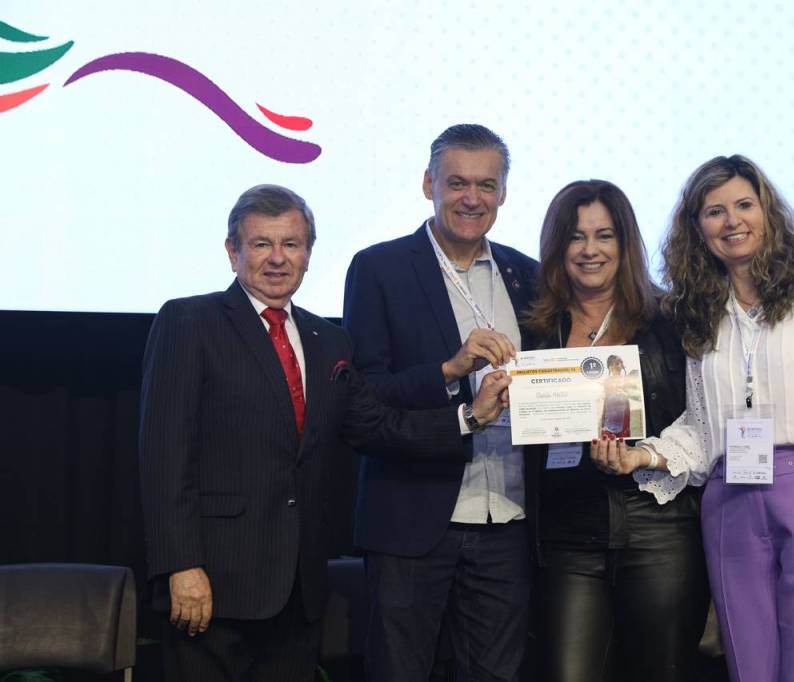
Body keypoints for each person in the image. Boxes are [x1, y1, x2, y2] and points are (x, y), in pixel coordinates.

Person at [138, 184, 511, 681]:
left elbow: (377, 426)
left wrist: (471, 417)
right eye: (261, 244)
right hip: (213, 585)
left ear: (308, 254)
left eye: (291, 244)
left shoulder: (328, 340)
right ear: (232, 251)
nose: (277, 258)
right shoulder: (189, 322)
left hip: (299, 592)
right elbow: (164, 457)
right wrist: (180, 566)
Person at [591, 156, 794, 682]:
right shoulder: (701, 312)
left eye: (744, 205)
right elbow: (702, 429)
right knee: (750, 670)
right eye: (714, 211)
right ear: (697, 228)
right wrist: (641, 456)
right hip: (730, 503)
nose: (732, 221)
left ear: (769, 213)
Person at [343, 124, 538, 681]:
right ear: (429, 184)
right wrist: (449, 371)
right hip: (413, 518)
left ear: (503, 192)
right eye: (456, 183)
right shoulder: (379, 269)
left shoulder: (528, 275)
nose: (471, 198)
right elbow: (363, 395)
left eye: (486, 185)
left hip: (509, 517)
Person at [522, 179, 709, 682]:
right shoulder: (535, 330)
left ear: (625, 244)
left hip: (659, 531)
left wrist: (644, 455)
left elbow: (704, 423)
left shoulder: (670, 321)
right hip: (568, 534)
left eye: (604, 235)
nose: (590, 250)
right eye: (575, 237)